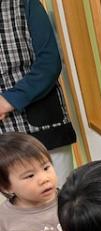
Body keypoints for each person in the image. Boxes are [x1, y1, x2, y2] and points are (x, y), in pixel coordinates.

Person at [0, 0, 76, 186]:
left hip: (43, 126)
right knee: (13, 201)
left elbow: (49, 64)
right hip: (3, 141)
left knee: (60, 195)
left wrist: (8, 101)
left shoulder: (25, 3)